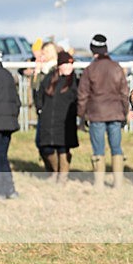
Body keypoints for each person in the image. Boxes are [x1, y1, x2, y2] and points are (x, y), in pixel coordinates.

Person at [77, 34, 130, 189]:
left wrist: (81, 116)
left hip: (96, 115)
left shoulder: (89, 70)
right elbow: (124, 93)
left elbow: (82, 96)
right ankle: (118, 184)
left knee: (98, 150)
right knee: (116, 148)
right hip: (116, 113)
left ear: (93, 50)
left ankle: (99, 184)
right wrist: (125, 113)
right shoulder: (117, 67)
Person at [35, 51, 78, 183]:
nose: (69, 67)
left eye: (71, 64)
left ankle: (62, 177)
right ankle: (54, 172)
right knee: (46, 148)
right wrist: (40, 109)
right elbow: (39, 95)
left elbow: (78, 99)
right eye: (66, 64)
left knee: (63, 148)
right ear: (59, 65)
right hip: (48, 120)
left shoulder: (74, 81)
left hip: (65, 121)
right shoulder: (49, 78)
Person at [0, 47, 20, 199]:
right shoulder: (7, 75)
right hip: (9, 123)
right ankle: (10, 189)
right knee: (2, 156)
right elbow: (17, 101)